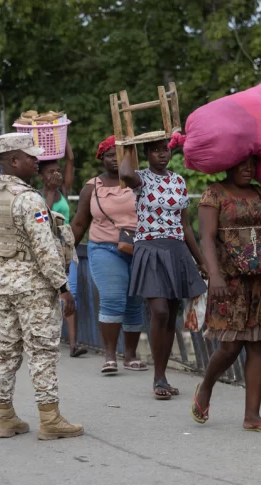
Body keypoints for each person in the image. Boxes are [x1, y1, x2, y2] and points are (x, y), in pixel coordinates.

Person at [0, 132, 83, 440]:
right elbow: (45, 249)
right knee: (42, 350)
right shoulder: (28, 199)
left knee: (5, 350)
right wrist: (63, 287)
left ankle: (4, 417)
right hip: (33, 284)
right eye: (30, 157)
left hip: (3, 281)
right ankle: (50, 419)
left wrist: (1, 272)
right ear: (13, 161)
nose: (37, 161)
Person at [190, 157, 261, 432]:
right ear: (227, 163)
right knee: (231, 345)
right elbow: (206, 237)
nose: (247, 169)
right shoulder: (214, 194)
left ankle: (252, 416)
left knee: (257, 344)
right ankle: (206, 386)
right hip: (228, 278)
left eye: (252, 164)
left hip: (260, 277)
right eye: (241, 163)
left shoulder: (259, 192)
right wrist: (214, 275)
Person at [119, 139, 207, 400]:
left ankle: (162, 376)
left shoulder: (179, 181)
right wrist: (128, 145)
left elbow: (186, 225)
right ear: (145, 154)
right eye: (155, 150)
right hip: (149, 248)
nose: (162, 155)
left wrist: (200, 260)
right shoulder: (140, 179)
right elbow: (124, 173)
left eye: (165, 149)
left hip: (176, 250)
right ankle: (158, 377)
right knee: (158, 311)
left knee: (170, 314)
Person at [71, 136, 145, 370]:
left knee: (134, 301)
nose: (115, 159)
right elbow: (80, 223)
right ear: (101, 158)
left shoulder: (142, 181)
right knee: (113, 297)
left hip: (140, 247)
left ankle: (131, 355)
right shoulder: (92, 187)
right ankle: (110, 355)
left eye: (120, 154)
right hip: (104, 248)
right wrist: (66, 252)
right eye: (110, 155)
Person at [39, 140, 86, 358]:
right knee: (48, 295)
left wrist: (62, 138)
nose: (55, 175)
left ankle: (74, 344)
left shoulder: (63, 190)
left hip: (65, 247)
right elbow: (43, 217)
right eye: (50, 172)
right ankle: (45, 341)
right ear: (42, 175)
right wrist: (49, 190)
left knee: (70, 292)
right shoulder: (37, 195)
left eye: (57, 171)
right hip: (47, 248)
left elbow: (71, 160)